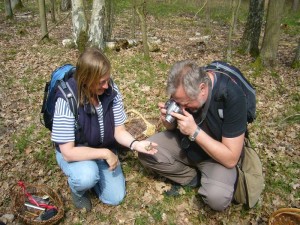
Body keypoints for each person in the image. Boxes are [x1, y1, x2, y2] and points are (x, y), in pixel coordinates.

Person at [51, 47, 157, 211]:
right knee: (87, 177)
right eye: (101, 82)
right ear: (85, 79)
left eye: (107, 80)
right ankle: (78, 190)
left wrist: (136, 145)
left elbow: (119, 131)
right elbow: (68, 152)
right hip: (77, 151)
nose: (107, 86)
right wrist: (106, 153)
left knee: (115, 197)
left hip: (101, 146)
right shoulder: (66, 99)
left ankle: (94, 172)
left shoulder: (111, 91)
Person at [138, 60, 247, 211]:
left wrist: (194, 132)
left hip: (216, 158)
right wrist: (168, 122)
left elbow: (231, 159)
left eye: (186, 104)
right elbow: (172, 127)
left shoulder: (232, 96)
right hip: (186, 146)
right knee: (146, 150)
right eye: (177, 102)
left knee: (216, 198)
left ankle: (212, 179)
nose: (181, 108)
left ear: (202, 89)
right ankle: (192, 178)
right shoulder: (183, 92)